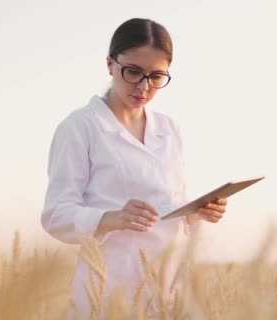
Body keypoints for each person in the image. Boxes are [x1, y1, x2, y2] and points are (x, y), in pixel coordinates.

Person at [40, 18, 228, 318]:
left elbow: (171, 207)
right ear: (110, 64)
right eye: (133, 72)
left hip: (168, 289)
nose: (144, 86)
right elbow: (55, 215)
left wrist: (197, 212)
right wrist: (109, 218)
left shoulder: (170, 129)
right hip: (108, 290)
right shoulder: (80, 127)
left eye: (156, 76)